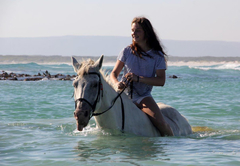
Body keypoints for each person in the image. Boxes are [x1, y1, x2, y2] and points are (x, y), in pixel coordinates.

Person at [110, 17, 174, 136]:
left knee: (161, 123)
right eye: (132, 30)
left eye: (138, 30)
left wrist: (139, 79)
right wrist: (116, 83)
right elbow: (113, 74)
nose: (134, 33)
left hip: (143, 97)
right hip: (123, 96)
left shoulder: (157, 55)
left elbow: (161, 80)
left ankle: (172, 143)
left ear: (146, 32)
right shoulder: (126, 51)